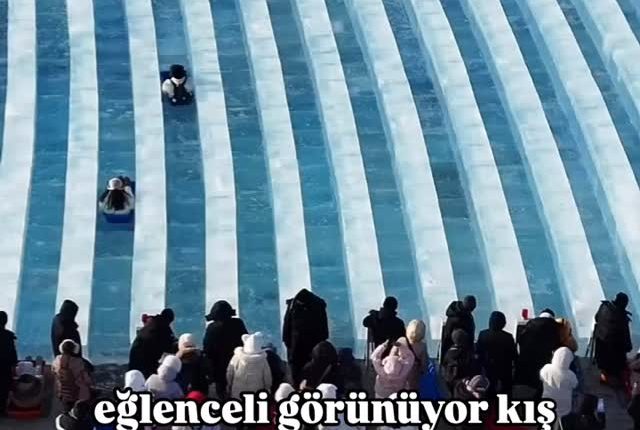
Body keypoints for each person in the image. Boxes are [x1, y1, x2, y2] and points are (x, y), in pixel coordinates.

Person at [282, 289, 329, 386]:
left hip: (296, 347)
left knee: (297, 373)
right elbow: (324, 329)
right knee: (312, 374)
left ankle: (298, 388)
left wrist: (287, 342)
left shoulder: (293, 306)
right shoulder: (318, 306)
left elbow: (286, 326)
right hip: (311, 347)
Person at [203, 300, 248, 399]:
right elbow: (246, 341)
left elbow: (207, 349)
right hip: (237, 362)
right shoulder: (238, 323)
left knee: (221, 392)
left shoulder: (212, 328)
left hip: (219, 366)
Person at [514, 309, 561, 391]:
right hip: (543, 360)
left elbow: (520, 339)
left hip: (526, 359)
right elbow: (556, 344)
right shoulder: (554, 325)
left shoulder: (530, 323)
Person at [594, 292, 632, 384]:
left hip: (599, 351)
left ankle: (604, 373)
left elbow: (596, 318)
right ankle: (614, 375)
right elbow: (627, 343)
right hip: (612, 357)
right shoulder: (622, 318)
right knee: (620, 350)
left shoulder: (604, 306)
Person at [476, 311, 517, 396]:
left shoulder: (483, 334)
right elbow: (514, 355)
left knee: (488, 391)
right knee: (505, 392)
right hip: (504, 369)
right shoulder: (508, 337)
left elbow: (479, 352)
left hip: (487, 368)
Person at [129, 308, 178, 378]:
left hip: (135, 354)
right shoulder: (163, 327)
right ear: (170, 320)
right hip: (146, 360)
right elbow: (169, 346)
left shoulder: (151, 322)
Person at [540, 347, 578, 429]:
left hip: (546, 406)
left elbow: (541, 377)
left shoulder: (546, 368)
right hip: (564, 408)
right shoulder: (571, 375)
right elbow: (575, 385)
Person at [226, 332, 272, 399]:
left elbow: (230, 373)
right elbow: (267, 377)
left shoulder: (237, 357)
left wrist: (229, 385)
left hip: (237, 393)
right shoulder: (262, 360)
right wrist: (267, 388)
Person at [52, 339, 92, 412]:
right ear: (74, 349)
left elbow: (53, 372)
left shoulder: (56, 360)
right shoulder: (78, 362)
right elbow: (86, 379)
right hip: (78, 394)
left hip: (62, 394)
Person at [398, 319, 428, 391]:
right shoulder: (422, 346)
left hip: (401, 370)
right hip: (414, 373)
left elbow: (393, 355)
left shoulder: (401, 341)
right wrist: (424, 371)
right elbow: (424, 362)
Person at [0, 311, 17, 416]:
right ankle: (2, 410)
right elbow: (12, 354)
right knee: (3, 389)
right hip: (4, 367)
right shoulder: (9, 336)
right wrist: (14, 366)